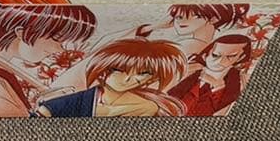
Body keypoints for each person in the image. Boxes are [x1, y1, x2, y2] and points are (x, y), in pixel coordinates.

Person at [36, 37, 186, 117]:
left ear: (151, 79)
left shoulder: (149, 106)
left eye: (142, 73)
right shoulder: (72, 102)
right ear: (102, 70)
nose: (127, 79)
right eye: (119, 70)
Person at [168, 34, 251, 116]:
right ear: (205, 55)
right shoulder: (190, 69)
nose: (220, 61)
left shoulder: (238, 81)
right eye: (215, 55)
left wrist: (217, 87)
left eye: (231, 56)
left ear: (240, 58)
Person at [137, 4, 249, 57]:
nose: (181, 21)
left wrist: (151, 27)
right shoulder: (211, 44)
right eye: (179, 17)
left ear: (214, 19)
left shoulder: (186, 46)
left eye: (194, 16)